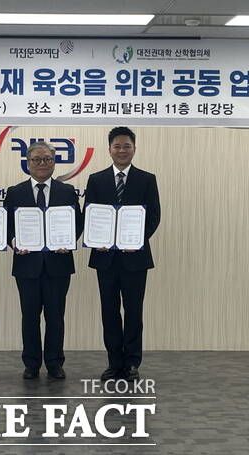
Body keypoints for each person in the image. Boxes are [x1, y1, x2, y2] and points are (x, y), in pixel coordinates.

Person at [84, 127, 161, 382]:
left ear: (134, 148)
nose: (122, 150)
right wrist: (96, 239)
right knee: (109, 311)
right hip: (105, 258)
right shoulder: (96, 180)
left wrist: (137, 240)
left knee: (134, 311)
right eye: (117, 146)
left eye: (127, 146)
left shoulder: (147, 179)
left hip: (135, 258)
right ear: (109, 149)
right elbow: (90, 215)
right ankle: (114, 362)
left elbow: (154, 216)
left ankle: (132, 363)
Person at [3, 141, 83, 380]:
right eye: (36, 159)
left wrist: (69, 241)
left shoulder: (67, 191)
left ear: (54, 162)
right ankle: (31, 364)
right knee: (29, 317)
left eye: (47, 159)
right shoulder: (15, 192)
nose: (42, 164)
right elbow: (6, 226)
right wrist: (14, 242)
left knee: (55, 317)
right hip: (27, 264)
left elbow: (78, 223)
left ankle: (55, 363)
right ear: (28, 163)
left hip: (58, 264)